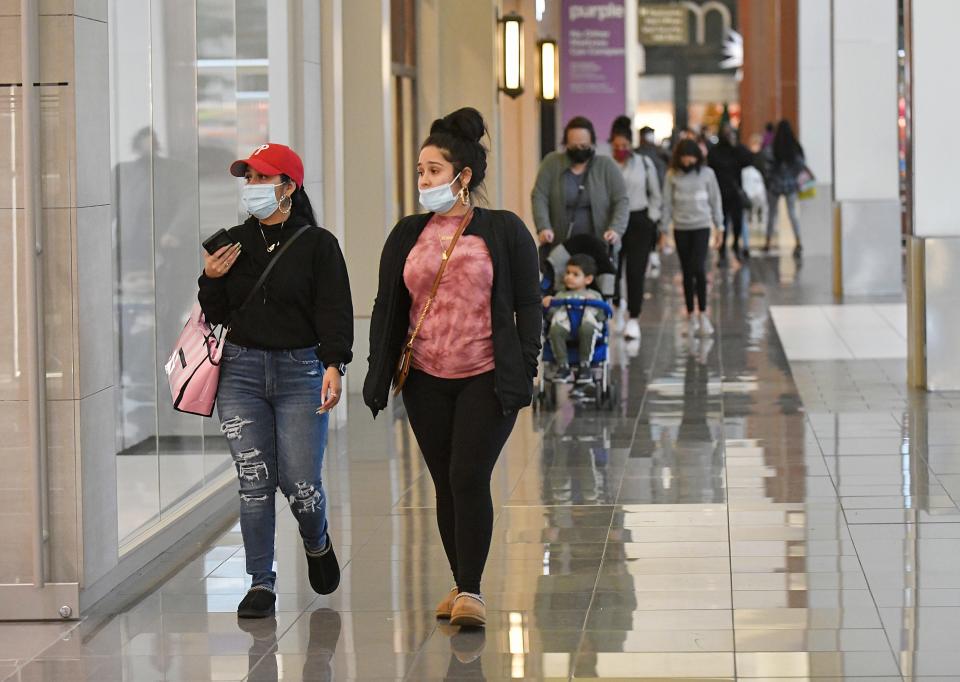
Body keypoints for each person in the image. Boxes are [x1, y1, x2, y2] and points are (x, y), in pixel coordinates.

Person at [363, 108, 542, 628]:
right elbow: (387, 305)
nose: (424, 179)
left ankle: (472, 590)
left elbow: (529, 302)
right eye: (421, 169)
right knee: (444, 480)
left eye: (435, 170)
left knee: (468, 474)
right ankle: (460, 580)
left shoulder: (504, 231)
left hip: (486, 374)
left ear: (463, 177)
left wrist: (526, 360)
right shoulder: (407, 234)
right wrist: (378, 368)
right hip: (425, 377)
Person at [197, 143, 353, 619]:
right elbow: (217, 314)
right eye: (249, 179)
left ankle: (316, 539)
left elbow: (334, 309)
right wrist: (209, 278)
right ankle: (261, 582)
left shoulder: (317, 243)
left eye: (263, 179)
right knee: (254, 482)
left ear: (289, 187)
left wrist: (334, 364)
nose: (253, 188)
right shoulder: (233, 242)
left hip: (300, 371)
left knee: (302, 482)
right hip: (240, 372)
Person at [531, 116, 629, 251]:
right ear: (565, 144)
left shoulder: (606, 166)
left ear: (592, 143)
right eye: (573, 146)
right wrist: (543, 227)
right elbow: (539, 196)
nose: (579, 149)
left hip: (600, 244)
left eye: (583, 146)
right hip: (560, 245)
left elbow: (621, 200)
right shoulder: (551, 163)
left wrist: (615, 229)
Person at [662, 139, 723, 337]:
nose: (688, 161)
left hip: (701, 227)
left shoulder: (707, 174)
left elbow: (715, 201)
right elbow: (667, 204)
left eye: (691, 156)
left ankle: (703, 313)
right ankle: (690, 316)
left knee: (699, 268)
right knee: (687, 271)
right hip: (681, 228)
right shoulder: (672, 175)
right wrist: (663, 230)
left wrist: (719, 227)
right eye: (684, 157)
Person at [609, 119, 661, 342]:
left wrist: (652, 218)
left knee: (636, 270)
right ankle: (617, 306)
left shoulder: (644, 163)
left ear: (631, 144)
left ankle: (634, 318)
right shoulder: (607, 165)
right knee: (614, 268)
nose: (621, 150)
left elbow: (656, 194)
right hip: (613, 222)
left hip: (640, 220)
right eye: (616, 146)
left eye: (624, 145)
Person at [543, 254, 607, 384]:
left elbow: (602, 316)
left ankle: (585, 366)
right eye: (567, 273)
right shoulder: (560, 295)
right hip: (565, 328)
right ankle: (563, 366)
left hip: (587, 327)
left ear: (588, 279)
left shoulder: (594, 295)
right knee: (555, 330)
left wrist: (595, 305)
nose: (569, 277)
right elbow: (551, 316)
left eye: (575, 274)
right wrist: (548, 304)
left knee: (588, 328)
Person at [707, 125, 754, 263]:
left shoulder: (737, 150)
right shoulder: (715, 152)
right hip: (721, 192)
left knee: (737, 222)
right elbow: (711, 166)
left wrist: (736, 145)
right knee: (723, 223)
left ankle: (735, 246)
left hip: (735, 192)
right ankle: (722, 253)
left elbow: (749, 159)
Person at [762, 119, 805, 256]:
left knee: (771, 214)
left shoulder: (773, 147)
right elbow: (800, 165)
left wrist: (769, 180)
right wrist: (793, 177)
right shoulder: (795, 147)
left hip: (774, 185)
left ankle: (768, 242)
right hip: (790, 185)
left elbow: (767, 166)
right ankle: (798, 241)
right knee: (792, 213)